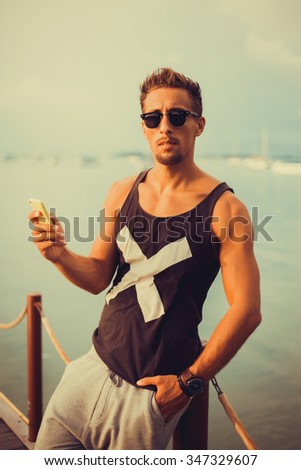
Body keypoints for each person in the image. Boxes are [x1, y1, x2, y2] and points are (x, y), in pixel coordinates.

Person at [29, 68, 261, 450]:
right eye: (153, 118)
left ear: (199, 124)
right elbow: (98, 275)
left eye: (177, 116)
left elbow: (247, 310)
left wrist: (187, 383)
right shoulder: (122, 192)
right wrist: (59, 255)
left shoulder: (225, 209)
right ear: (143, 127)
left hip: (146, 400)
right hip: (88, 372)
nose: (164, 126)